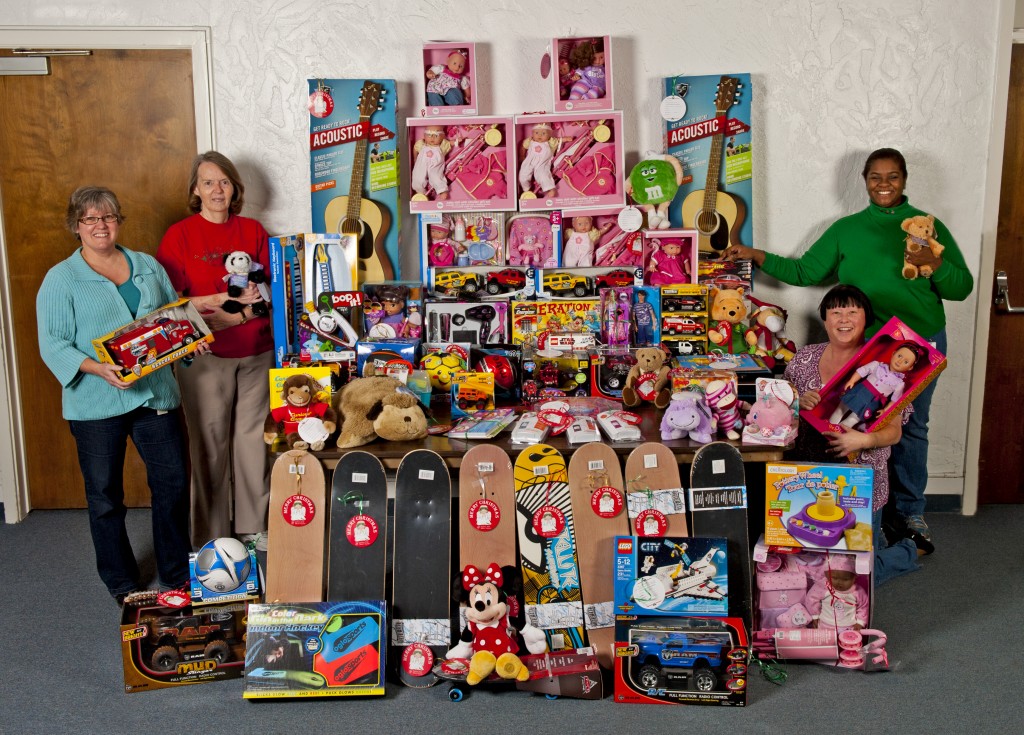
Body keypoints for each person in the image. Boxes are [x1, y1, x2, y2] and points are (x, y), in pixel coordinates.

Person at [723, 148, 974, 545]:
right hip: (868, 347)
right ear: (864, 180)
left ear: (905, 179)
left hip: (920, 343)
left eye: (893, 176)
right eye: (876, 176)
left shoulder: (928, 226)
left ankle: (909, 514)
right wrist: (756, 255)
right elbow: (805, 270)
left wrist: (933, 261)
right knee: (855, 420)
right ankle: (866, 505)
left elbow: (962, 288)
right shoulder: (846, 229)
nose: (884, 184)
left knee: (912, 427)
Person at [37, 186, 194, 603]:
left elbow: (171, 318)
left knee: (172, 485)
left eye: (107, 217)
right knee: (105, 496)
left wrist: (191, 340)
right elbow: (52, 343)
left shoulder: (145, 265)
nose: (100, 226)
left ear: (118, 221)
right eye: (90, 219)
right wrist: (96, 368)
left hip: (155, 396)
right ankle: (121, 582)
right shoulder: (62, 278)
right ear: (77, 226)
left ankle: (176, 573)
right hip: (95, 405)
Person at [157, 151, 274, 549]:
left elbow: (269, 296)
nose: (217, 189)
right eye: (208, 182)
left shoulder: (254, 231)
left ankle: (253, 527)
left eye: (224, 181)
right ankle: (210, 534)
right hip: (204, 359)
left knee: (252, 441)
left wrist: (240, 312)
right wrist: (219, 299)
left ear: (234, 187)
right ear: (196, 190)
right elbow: (169, 303)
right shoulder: (180, 235)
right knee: (209, 446)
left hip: (257, 351)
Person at [784, 285, 929, 587]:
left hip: (860, 483)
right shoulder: (803, 359)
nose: (844, 319)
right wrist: (798, 402)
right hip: (808, 478)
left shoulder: (886, 363)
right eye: (836, 312)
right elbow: (780, 408)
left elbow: (893, 431)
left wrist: (863, 440)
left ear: (866, 318)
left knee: (850, 578)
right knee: (804, 570)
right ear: (825, 320)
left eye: (853, 311)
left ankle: (907, 549)